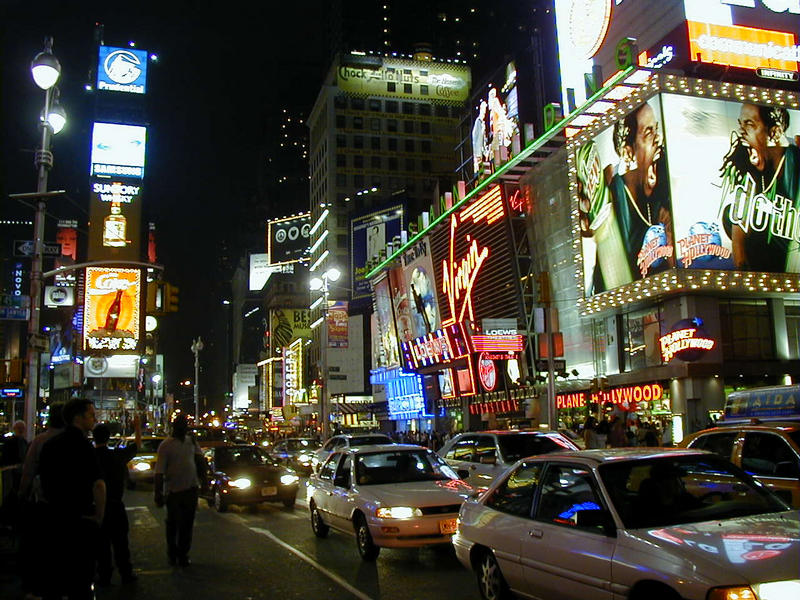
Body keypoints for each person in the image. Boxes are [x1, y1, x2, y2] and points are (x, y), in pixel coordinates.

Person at [39, 398, 106, 600]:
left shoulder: (49, 445)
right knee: (81, 579)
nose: (94, 419)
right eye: (91, 415)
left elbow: (42, 481)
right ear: (78, 418)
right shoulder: (83, 446)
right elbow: (98, 484)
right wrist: (99, 516)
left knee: (56, 580)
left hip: (54, 518)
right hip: (80, 520)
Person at [720, 104, 800, 273]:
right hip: (770, 276)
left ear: (775, 132)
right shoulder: (754, 171)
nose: (741, 131)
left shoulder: (794, 161)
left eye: (749, 124)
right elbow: (739, 240)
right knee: (730, 214)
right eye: (740, 124)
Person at [608, 101, 675, 282]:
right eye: (648, 132)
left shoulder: (664, 186)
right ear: (628, 153)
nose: (658, 139)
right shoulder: (613, 200)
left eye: (656, 129)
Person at [17, 403, 65, 600]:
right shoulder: (74, 441)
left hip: (44, 502)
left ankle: (40, 587)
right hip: (68, 504)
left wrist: (22, 494)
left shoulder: (39, 441)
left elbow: (28, 472)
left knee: (43, 548)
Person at [93, 415, 142, 586]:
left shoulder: (90, 457)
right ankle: (126, 573)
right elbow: (136, 446)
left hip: (96, 506)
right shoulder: (116, 456)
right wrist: (137, 428)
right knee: (121, 542)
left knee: (101, 544)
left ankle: (104, 574)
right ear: (108, 438)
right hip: (115, 504)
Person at [154, 413, 204, 567]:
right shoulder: (166, 445)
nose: (183, 428)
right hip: (173, 491)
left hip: (191, 489)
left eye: (185, 425)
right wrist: (158, 493)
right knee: (173, 524)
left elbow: (200, 460)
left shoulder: (191, 442)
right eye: (180, 425)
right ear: (175, 427)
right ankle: (172, 554)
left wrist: (204, 480)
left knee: (187, 524)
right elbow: (159, 472)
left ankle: (183, 554)